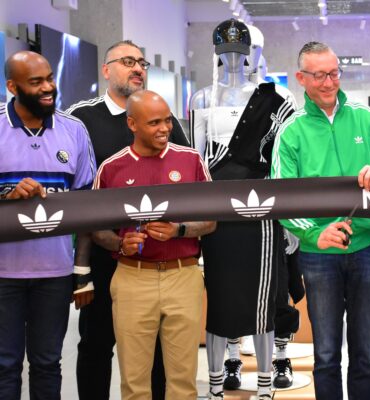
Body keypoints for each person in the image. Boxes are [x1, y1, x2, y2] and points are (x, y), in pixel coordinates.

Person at [271, 41, 370, 400]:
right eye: (319, 75)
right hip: (318, 255)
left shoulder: (368, 119)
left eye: (334, 73)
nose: (328, 82)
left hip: (369, 249)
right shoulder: (291, 132)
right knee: (326, 355)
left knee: (365, 354)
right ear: (301, 78)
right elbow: (281, 197)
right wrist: (315, 233)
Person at [66, 39, 190, 400]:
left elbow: (188, 177)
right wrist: (81, 270)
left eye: (141, 62)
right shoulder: (81, 119)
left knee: (157, 351)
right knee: (96, 342)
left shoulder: (164, 119)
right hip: (103, 255)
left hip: (158, 257)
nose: (137, 68)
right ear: (106, 70)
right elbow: (78, 192)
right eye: (127, 61)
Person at [190, 19, 295, 400]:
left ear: (250, 53)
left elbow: (283, 162)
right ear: (216, 54)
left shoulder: (275, 99)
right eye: (226, 52)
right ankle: (216, 385)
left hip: (261, 211)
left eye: (239, 51)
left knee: (264, 298)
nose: (233, 59)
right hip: (218, 211)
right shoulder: (202, 99)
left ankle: (265, 385)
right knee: (219, 298)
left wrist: (291, 220)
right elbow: (197, 161)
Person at [91, 90, 215, 400]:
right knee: (134, 384)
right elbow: (95, 228)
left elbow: (212, 220)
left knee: (183, 383)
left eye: (167, 120)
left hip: (183, 276)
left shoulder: (191, 160)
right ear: (132, 124)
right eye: (154, 122)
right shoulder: (111, 168)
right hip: (132, 279)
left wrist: (179, 230)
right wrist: (121, 243)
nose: (164, 128)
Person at [0, 51, 96, 399]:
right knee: (4, 365)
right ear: (13, 87)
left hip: (54, 274)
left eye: (50, 78)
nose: (47, 88)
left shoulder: (74, 130)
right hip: (3, 275)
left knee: (47, 363)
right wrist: (6, 194)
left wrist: (81, 272)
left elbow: (87, 206)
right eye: (36, 82)